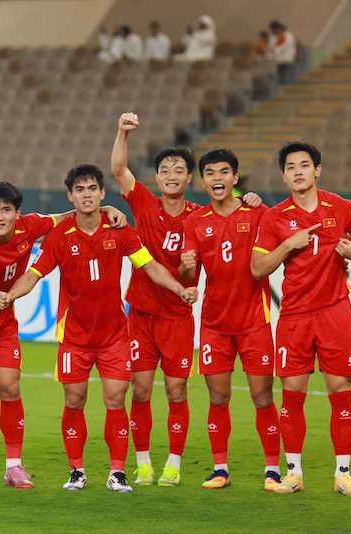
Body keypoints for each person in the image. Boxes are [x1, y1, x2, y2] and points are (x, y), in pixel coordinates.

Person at [0, 164, 198, 493]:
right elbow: (34, 274)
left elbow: (150, 266)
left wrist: (178, 288)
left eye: (92, 189)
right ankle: (77, 470)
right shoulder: (60, 236)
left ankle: (117, 472)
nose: (86, 195)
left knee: (116, 399)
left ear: (102, 194)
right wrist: (11, 293)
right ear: (70, 196)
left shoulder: (120, 230)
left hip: (115, 336)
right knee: (74, 400)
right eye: (80, 190)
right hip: (74, 337)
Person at [111, 112, 263, 486]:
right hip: (142, 314)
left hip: (179, 317)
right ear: (158, 176)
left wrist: (250, 200)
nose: (172, 174)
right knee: (141, 389)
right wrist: (122, 132)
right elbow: (118, 169)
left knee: (177, 390)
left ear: (190, 177)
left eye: (180, 169)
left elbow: (234, 213)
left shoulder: (200, 216)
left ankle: (174, 463)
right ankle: (144, 462)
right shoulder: (144, 203)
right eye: (166, 169)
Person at [0, 181, 128, 490]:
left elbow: (69, 214)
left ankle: (13, 466)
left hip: (2, 324)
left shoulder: (30, 227)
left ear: (17, 213)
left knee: (10, 388)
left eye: (6, 210)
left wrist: (105, 209)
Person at [251, 142, 351, 497]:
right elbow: (258, 267)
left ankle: (343, 474)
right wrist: (288, 245)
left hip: (334, 311)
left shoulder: (341, 208)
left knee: (341, 392)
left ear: (317, 170)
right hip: (294, 316)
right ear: (283, 175)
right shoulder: (274, 217)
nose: (297, 171)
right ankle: (294, 473)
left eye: (304, 165)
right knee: (292, 393)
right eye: (290, 166)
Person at [180, 149, 281, 491]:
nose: (218, 178)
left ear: (235, 178)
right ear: (203, 180)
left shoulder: (256, 214)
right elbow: (188, 270)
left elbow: (280, 243)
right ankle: (220, 468)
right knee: (218, 397)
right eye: (210, 173)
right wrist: (187, 270)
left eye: (225, 172)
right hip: (214, 324)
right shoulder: (194, 222)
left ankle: (272, 470)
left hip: (255, 321)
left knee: (262, 397)